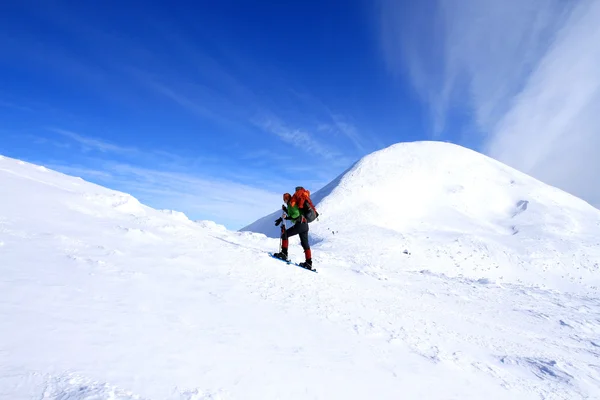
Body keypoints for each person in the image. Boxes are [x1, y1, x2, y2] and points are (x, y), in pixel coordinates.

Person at [272, 189, 313, 269]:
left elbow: (295, 214)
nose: (284, 201)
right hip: (305, 225)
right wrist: (284, 213)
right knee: (305, 244)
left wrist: (287, 218)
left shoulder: (291, 204)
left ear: (286, 199)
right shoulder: (292, 204)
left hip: (300, 225)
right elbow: (293, 212)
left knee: (285, 234)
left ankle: (284, 254)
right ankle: (309, 263)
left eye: (284, 199)